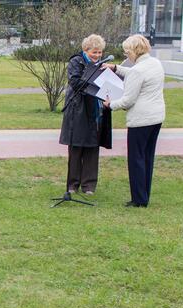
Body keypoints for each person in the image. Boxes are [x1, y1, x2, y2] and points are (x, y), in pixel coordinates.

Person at [103, 34, 166, 207]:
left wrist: (110, 104)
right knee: (147, 157)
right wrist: (116, 68)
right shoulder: (154, 63)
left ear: (134, 51)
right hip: (156, 117)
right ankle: (144, 195)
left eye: (127, 52)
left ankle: (138, 199)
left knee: (136, 159)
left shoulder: (138, 71)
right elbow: (134, 73)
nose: (126, 55)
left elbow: (128, 100)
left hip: (141, 120)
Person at [59, 34, 112, 196]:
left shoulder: (103, 65)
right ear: (85, 50)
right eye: (94, 52)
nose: (97, 56)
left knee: (92, 147)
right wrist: (95, 79)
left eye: (100, 52)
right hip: (78, 110)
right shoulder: (76, 62)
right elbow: (75, 82)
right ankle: (72, 184)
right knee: (76, 148)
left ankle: (89, 185)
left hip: (97, 111)